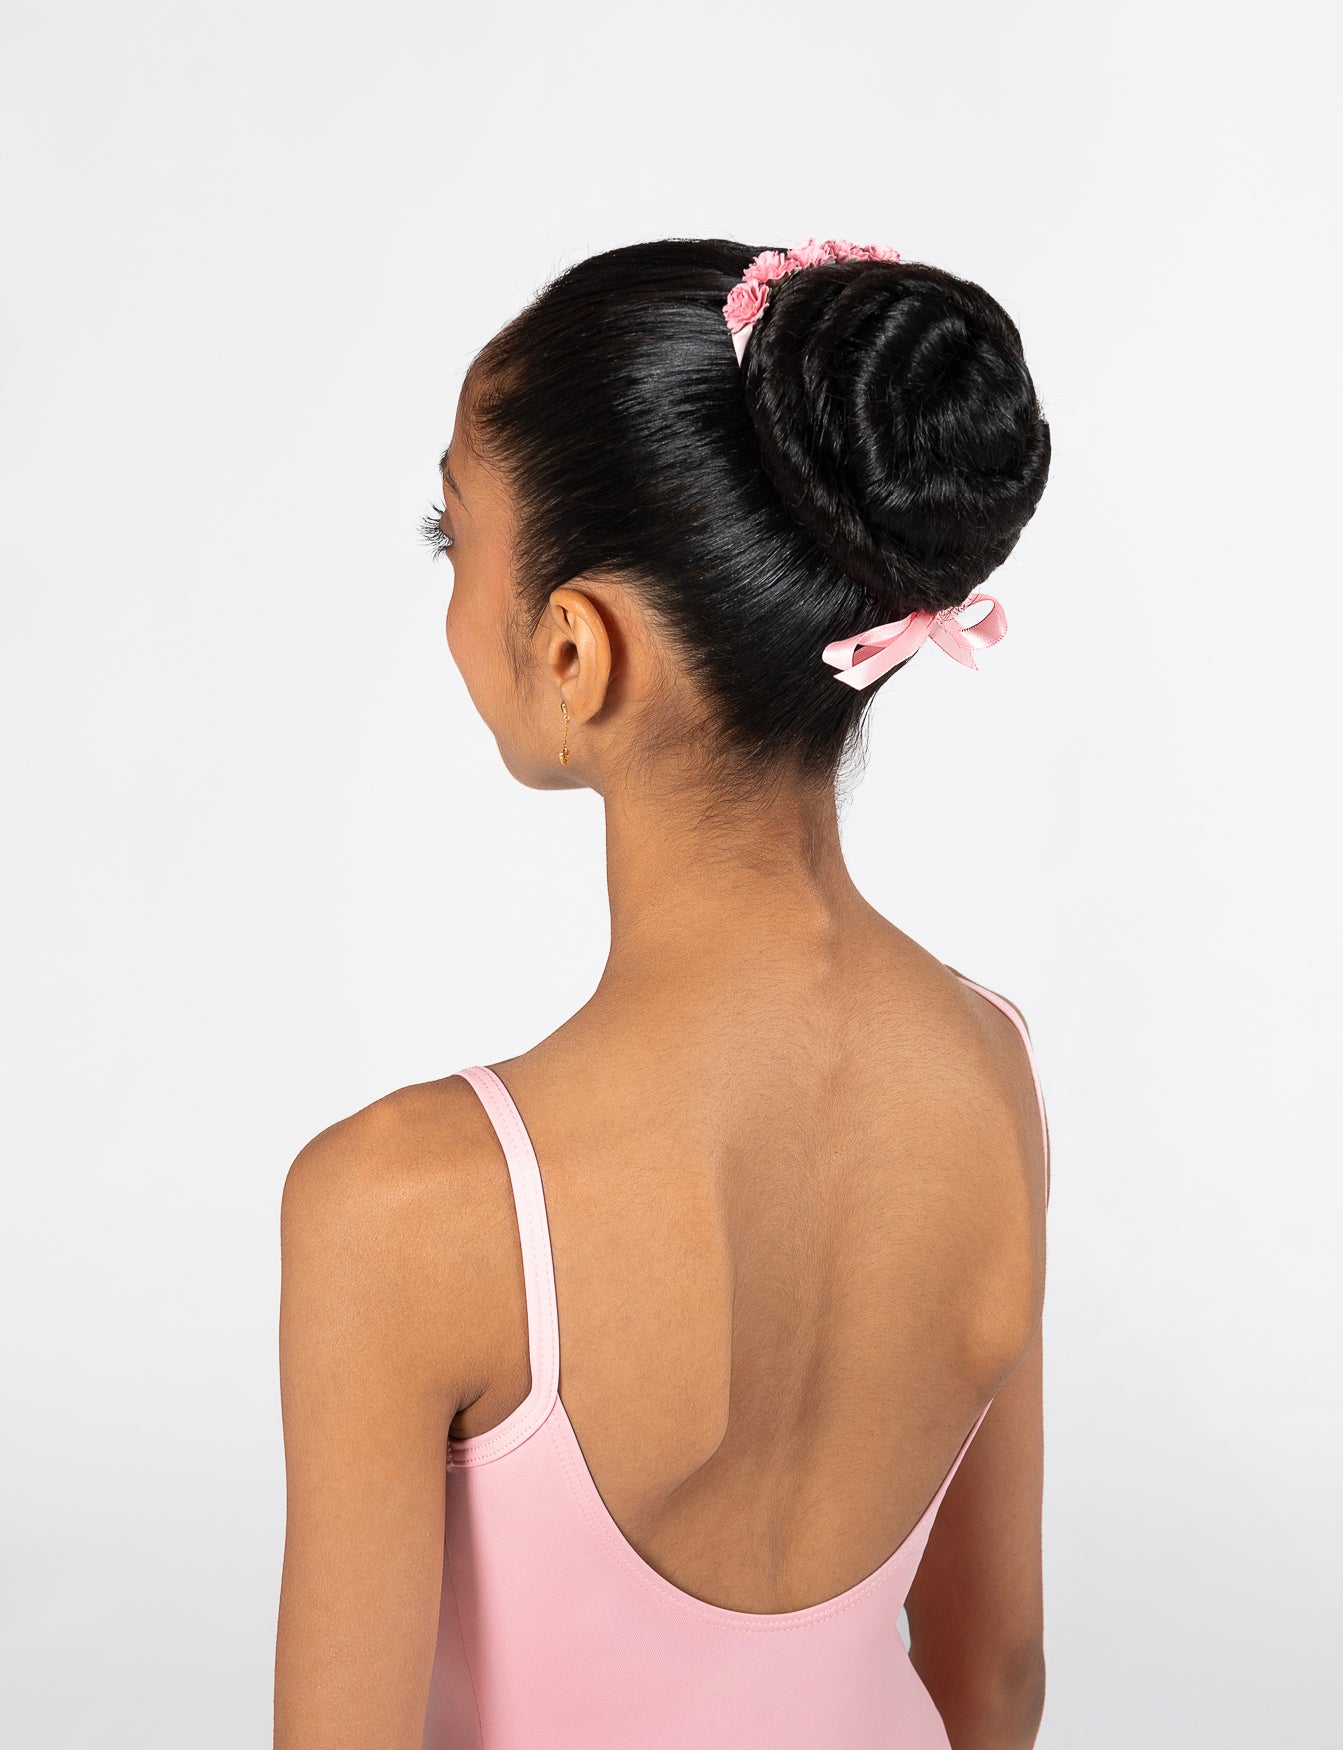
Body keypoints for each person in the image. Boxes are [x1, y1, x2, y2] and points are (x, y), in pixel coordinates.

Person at [273, 237, 1053, 1750]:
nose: (447, 583)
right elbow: (996, 1675)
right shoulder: (992, 1068)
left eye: (451, 534)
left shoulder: (405, 1205)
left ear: (576, 648)